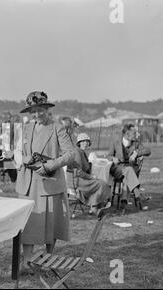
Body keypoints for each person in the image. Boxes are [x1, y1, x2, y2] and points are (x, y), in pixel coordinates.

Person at [15, 91, 74, 274]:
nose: (37, 114)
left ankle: (49, 259)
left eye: (40, 110)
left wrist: (49, 166)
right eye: (33, 112)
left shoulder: (57, 128)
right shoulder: (25, 129)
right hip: (28, 183)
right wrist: (23, 159)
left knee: (51, 223)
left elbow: (70, 154)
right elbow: (17, 152)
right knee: (28, 222)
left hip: (49, 182)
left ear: (47, 109)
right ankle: (26, 262)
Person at [107, 123, 151, 205]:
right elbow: (109, 156)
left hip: (130, 169)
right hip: (117, 169)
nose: (137, 135)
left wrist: (136, 154)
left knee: (128, 172)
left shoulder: (136, 142)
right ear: (127, 134)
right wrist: (113, 158)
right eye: (134, 133)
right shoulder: (115, 141)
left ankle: (124, 200)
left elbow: (148, 151)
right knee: (129, 171)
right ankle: (137, 193)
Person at [68, 133, 111, 213]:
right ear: (79, 143)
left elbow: (85, 167)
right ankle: (95, 205)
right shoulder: (77, 152)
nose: (86, 143)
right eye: (83, 141)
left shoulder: (82, 152)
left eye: (87, 141)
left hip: (82, 179)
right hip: (78, 181)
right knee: (101, 184)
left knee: (101, 182)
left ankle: (97, 204)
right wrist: (91, 177)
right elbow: (79, 172)